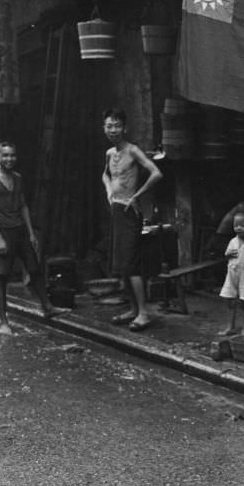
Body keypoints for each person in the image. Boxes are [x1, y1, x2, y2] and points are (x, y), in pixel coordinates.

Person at [0, 141, 67, 334]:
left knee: (34, 269)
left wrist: (30, 232)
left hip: (20, 231)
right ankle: (3, 322)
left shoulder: (17, 178)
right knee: (2, 277)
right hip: (4, 232)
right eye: (5, 155)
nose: (9, 159)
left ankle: (48, 307)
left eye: (12, 155)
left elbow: (23, 206)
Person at [101, 107, 163, 332]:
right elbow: (106, 174)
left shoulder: (133, 150)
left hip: (130, 211)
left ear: (124, 128)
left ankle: (144, 313)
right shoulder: (110, 153)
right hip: (116, 209)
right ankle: (133, 309)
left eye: (117, 125)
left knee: (132, 264)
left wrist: (137, 195)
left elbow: (156, 173)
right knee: (122, 265)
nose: (113, 130)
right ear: (104, 128)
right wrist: (109, 191)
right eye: (109, 126)